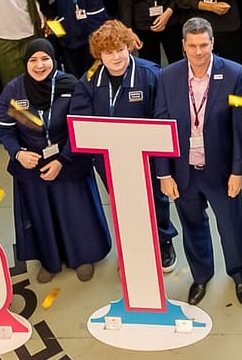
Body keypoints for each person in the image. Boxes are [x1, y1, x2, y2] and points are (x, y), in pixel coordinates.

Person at [154, 18, 242, 306]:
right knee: (192, 225)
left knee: (232, 225)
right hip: (183, 171)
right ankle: (201, 275)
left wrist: (238, 171)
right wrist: (163, 173)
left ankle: (241, 276)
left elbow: (240, 129)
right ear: (183, 46)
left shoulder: (233, 74)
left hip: (220, 170)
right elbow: (162, 127)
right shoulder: (167, 77)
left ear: (213, 43)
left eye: (204, 45)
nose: (199, 52)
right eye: (193, 46)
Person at [0, 39, 109, 283]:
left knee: (75, 210)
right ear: (25, 63)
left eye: (45, 59)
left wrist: (62, 160)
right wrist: (18, 153)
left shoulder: (70, 85)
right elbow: (4, 129)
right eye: (33, 60)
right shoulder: (14, 91)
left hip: (68, 158)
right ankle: (50, 259)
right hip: (31, 163)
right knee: (40, 213)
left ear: (54, 60)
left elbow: (80, 128)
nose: (39, 65)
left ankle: (83, 255)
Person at [75, 21, 177, 268]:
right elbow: (82, 118)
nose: (116, 57)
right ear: (99, 55)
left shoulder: (151, 74)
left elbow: (162, 117)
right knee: (123, 202)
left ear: (129, 47)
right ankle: (134, 243)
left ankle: (164, 239)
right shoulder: (88, 80)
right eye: (108, 53)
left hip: (146, 157)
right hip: (108, 158)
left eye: (120, 49)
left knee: (155, 200)